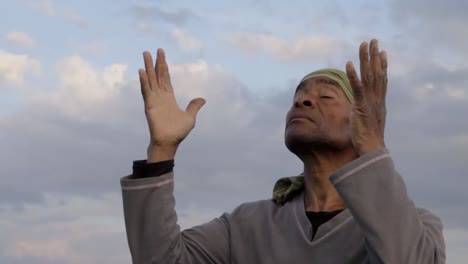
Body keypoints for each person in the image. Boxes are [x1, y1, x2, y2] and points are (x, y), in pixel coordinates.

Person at [120, 39, 445, 263]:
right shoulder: (246, 225)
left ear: (362, 118)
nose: (302, 101)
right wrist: (161, 151)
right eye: (298, 96)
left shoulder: (411, 226)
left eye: (327, 96)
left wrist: (374, 146)